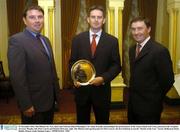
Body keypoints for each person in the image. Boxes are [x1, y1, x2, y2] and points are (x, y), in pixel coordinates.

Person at [7, 5, 60, 124]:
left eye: (40, 17)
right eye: (32, 17)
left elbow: (50, 69)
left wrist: (56, 96)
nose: (37, 20)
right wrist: (26, 104)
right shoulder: (17, 41)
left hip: (49, 100)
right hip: (33, 104)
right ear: (25, 20)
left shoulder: (45, 40)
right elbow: (17, 77)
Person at [69, 5, 121, 124]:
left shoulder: (112, 41)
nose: (96, 20)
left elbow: (116, 65)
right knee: (82, 123)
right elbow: (72, 62)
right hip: (82, 91)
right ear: (88, 19)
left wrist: (103, 78)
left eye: (99, 17)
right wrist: (74, 78)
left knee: (102, 123)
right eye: (93, 17)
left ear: (104, 20)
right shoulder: (77, 39)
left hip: (102, 91)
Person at [128, 16, 174, 124]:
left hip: (150, 108)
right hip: (132, 106)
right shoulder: (132, 49)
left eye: (140, 28)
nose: (136, 32)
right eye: (133, 29)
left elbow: (168, 80)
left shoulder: (159, 51)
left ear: (148, 29)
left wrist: (155, 98)